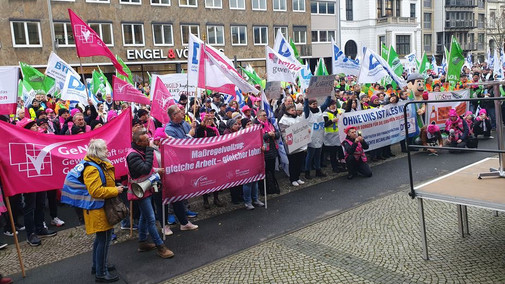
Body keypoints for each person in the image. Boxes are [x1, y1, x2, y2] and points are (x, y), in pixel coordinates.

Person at [127, 129, 174, 259]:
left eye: (148, 139)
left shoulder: (139, 151)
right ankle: (160, 247)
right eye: (145, 140)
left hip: (145, 188)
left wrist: (157, 170)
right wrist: (149, 151)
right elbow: (145, 169)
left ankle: (142, 242)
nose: (149, 142)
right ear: (137, 142)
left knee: (144, 216)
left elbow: (145, 168)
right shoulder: (133, 155)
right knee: (151, 219)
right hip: (139, 191)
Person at [82, 139, 123, 282]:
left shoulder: (95, 164)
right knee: (104, 240)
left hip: (99, 207)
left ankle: (98, 265)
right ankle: (101, 272)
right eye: (105, 149)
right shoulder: (92, 168)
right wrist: (115, 190)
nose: (107, 151)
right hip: (98, 209)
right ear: (98, 152)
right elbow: (95, 191)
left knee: (101, 239)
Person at [17, 118, 57, 246]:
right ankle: (31, 234)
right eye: (33, 125)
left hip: (41, 177)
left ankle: (40, 228)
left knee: (40, 203)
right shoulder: (19, 143)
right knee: (30, 207)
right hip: (28, 179)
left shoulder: (41, 139)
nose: (36, 127)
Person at [278, 104, 307, 186]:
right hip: (291, 143)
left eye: (294, 110)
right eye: (292, 110)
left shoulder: (298, 118)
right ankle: (293, 179)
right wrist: (286, 139)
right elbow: (283, 132)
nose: (294, 111)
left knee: (299, 161)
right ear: (287, 111)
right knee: (293, 162)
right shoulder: (284, 120)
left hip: (299, 142)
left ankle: (297, 177)